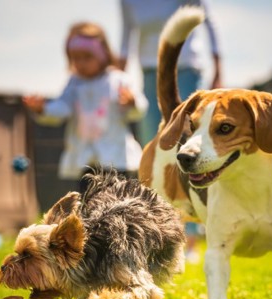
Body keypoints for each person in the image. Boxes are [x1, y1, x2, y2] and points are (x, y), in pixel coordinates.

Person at [119, 0, 221, 264]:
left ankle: (193, 237)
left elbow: (208, 23)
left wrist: (218, 66)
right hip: (147, 72)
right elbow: (125, 36)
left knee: (191, 147)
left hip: (189, 67)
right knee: (156, 148)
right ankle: (160, 235)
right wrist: (115, 83)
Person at [23, 21, 148, 194]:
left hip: (117, 160)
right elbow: (62, 108)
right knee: (88, 205)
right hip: (86, 162)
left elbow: (139, 111)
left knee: (120, 205)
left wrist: (132, 103)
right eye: (75, 58)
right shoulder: (74, 84)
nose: (81, 63)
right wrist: (43, 109)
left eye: (87, 57)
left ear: (103, 53)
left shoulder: (118, 80)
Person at [118, 0, 222, 146]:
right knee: (152, 140)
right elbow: (125, 39)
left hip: (186, 70)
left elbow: (209, 22)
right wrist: (116, 81)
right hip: (150, 74)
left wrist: (218, 71)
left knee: (190, 136)